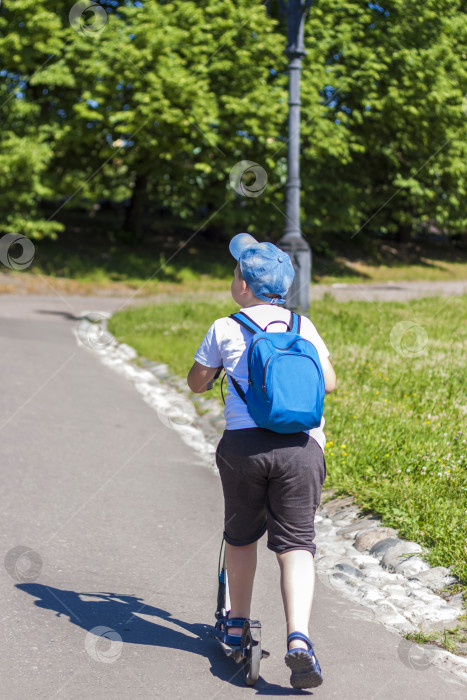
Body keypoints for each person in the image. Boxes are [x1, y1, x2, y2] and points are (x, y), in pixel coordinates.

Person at [187, 233, 336, 689]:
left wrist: (216, 371)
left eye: (235, 275)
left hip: (244, 451)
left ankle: (237, 623)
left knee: (241, 536)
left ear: (245, 288)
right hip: (301, 450)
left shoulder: (224, 326)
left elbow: (196, 383)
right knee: (296, 546)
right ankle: (299, 640)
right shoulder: (301, 325)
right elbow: (329, 383)